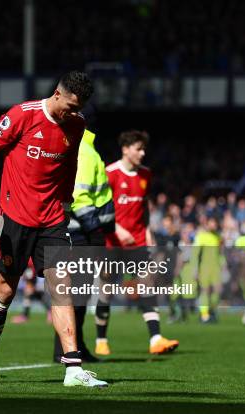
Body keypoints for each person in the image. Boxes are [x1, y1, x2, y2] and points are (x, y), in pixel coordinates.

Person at [0, 70, 108, 388]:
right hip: (14, 219)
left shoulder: (76, 125)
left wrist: (64, 201)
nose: (74, 113)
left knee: (62, 287)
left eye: (80, 108)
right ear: (57, 94)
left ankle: (73, 368)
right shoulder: (23, 115)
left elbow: (70, 164)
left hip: (52, 220)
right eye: (71, 106)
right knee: (5, 291)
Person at [96, 131, 179, 355]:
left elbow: (142, 206)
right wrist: (117, 229)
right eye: (138, 149)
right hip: (112, 241)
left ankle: (156, 339)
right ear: (125, 149)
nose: (142, 153)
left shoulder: (146, 174)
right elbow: (100, 208)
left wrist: (147, 230)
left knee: (146, 284)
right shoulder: (110, 173)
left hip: (138, 241)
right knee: (106, 289)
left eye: (144, 149)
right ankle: (101, 340)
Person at [52, 128, 115, 363]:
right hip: (80, 234)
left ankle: (71, 347)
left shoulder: (81, 147)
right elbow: (80, 196)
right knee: (75, 295)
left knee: (74, 295)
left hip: (74, 232)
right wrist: (97, 234)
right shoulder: (86, 151)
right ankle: (67, 350)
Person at [192, 216, 224, 323]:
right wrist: (195, 269)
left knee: (217, 292)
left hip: (216, 268)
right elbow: (195, 254)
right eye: (211, 223)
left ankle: (212, 311)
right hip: (204, 268)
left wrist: (223, 265)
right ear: (207, 224)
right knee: (205, 291)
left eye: (215, 223)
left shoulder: (218, 237)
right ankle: (204, 315)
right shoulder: (201, 236)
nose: (213, 225)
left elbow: (220, 253)